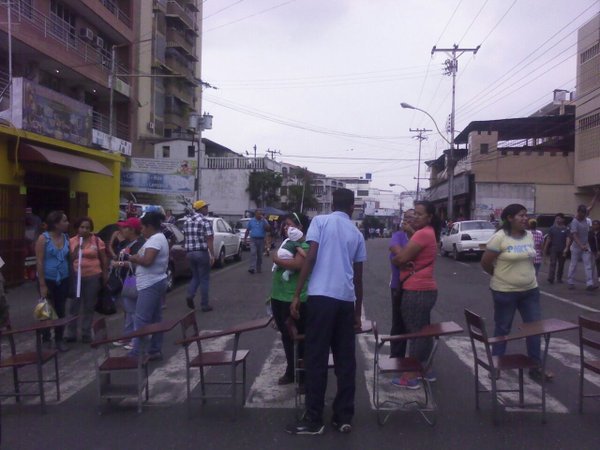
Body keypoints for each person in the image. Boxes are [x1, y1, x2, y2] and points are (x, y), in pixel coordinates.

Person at [286, 188, 366, 435]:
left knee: (316, 358)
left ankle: (314, 419)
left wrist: (297, 293)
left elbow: (310, 258)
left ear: (332, 203)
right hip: (345, 302)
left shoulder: (320, 222)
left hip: (321, 299)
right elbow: (359, 279)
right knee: (345, 360)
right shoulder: (356, 233)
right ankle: (343, 417)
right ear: (352, 207)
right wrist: (356, 313)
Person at [481, 203, 551, 382]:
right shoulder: (499, 237)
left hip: (530, 291)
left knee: (534, 329)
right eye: (520, 215)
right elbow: (486, 263)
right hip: (505, 292)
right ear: (510, 218)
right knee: (502, 328)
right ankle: (495, 366)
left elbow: (531, 259)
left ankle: (535, 367)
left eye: (525, 215)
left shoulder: (529, 236)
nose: (525, 218)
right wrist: (499, 276)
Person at [391, 201, 440, 389]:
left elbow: (400, 258)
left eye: (420, 215)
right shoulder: (427, 233)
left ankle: (410, 376)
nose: (415, 218)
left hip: (416, 289)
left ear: (429, 217)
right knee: (422, 331)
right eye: (415, 214)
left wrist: (399, 260)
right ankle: (425, 369)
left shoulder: (422, 234)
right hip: (424, 288)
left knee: (416, 333)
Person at [270, 214, 310, 386]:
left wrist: (275, 259)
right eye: (284, 225)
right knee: (286, 335)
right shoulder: (287, 242)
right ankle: (291, 370)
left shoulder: (305, 244)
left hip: (295, 297)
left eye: (289, 225)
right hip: (278, 296)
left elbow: (298, 265)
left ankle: (303, 376)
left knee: (300, 337)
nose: (286, 228)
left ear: (300, 227)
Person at [126, 211, 169, 360]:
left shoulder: (156, 239)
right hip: (155, 281)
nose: (142, 230)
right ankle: (154, 349)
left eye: (143, 227)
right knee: (156, 318)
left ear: (149, 226)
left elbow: (148, 260)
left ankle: (137, 352)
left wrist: (134, 258)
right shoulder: (158, 238)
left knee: (141, 319)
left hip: (150, 283)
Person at [65, 217, 108, 344]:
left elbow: (103, 258)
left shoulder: (96, 240)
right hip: (76, 277)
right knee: (74, 306)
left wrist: (105, 274)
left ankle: (86, 333)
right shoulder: (71, 241)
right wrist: (77, 248)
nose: (84, 230)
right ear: (77, 228)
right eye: (82, 227)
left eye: (87, 227)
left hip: (93, 275)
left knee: (89, 306)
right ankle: (71, 333)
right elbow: (70, 259)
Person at [35, 211, 70, 352]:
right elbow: (39, 261)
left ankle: (59, 339)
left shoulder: (66, 237)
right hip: (47, 278)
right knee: (45, 310)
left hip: (63, 278)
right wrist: (42, 284)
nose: (67, 223)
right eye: (65, 220)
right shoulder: (43, 239)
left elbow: (69, 257)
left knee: (61, 310)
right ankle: (45, 339)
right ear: (56, 224)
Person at [112, 217, 145, 348]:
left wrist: (119, 263)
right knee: (128, 309)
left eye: (124, 227)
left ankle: (135, 337)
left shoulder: (139, 244)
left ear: (131, 230)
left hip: (133, 279)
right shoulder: (126, 242)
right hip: (125, 279)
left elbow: (137, 263)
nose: (121, 230)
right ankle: (128, 335)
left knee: (133, 309)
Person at [388, 209, 415, 358]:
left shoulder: (420, 236)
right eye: (407, 218)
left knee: (418, 324)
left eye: (413, 217)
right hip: (398, 285)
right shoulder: (398, 235)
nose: (409, 220)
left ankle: (418, 360)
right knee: (398, 323)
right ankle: (397, 357)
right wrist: (408, 259)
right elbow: (397, 251)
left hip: (417, 287)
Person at [182, 200, 214, 312]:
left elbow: (184, 237)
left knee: (195, 276)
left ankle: (190, 294)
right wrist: (212, 255)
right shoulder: (205, 221)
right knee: (204, 279)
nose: (207, 209)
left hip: (190, 253)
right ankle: (204, 305)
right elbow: (209, 239)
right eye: (205, 207)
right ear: (201, 209)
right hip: (201, 252)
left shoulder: (186, 222)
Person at [567, 191, 599, 291]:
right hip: (577, 247)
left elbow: (591, 205)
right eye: (582, 213)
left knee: (588, 264)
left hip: (586, 245)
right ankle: (570, 282)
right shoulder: (574, 222)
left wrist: (596, 194)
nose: (584, 215)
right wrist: (581, 246)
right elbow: (574, 235)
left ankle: (589, 284)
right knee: (574, 264)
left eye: (585, 213)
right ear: (578, 212)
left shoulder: (585, 216)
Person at [543, 213, 569, 284]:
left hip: (562, 249)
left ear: (563, 220)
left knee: (561, 265)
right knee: (553, 263)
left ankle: (559, 278)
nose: (558, 220)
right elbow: (548, 239)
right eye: (556, 218)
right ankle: (551, 278)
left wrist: (566, 248)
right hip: (554, 248)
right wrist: (545, 247)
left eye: (559, 218)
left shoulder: (566, 229)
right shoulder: (552, 228)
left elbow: (568, 239)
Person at [244, 209, 270, 274]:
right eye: (258, 214)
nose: (259, 215)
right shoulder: (251, 221)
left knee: (259, 255)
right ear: (255, 214)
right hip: (253, 239)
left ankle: (258, 268)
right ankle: (252, 268)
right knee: (253, 253)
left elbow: (268, 229)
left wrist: (264, 220)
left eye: (260, 214)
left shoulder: (264, 221)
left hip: (261, 240)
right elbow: (248, 230)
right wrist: (245, 238)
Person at [589, 219, 600, 288]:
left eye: (597, 224)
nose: (595, 226)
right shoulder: (590, 233)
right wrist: (594, 251)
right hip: (593, 251)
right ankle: (591, 281)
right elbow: (590, 242)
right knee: (593, 266)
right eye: (594, 224)